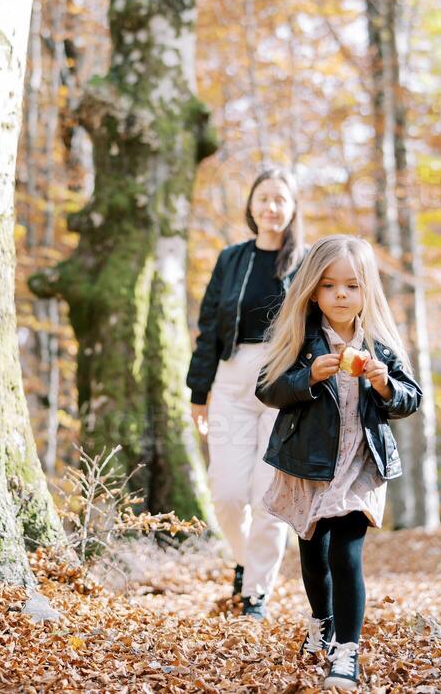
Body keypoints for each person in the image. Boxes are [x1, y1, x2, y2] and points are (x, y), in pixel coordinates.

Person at [256, 234, 422, 690]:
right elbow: (267, 389)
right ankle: (321, 624)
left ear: (367, 288)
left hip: (360, 464)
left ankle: (346, 653)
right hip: (309, 465)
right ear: (313, 290)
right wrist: (306, 376)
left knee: (346, 552)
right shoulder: (301, 337)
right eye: (330, 286)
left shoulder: (381, 343)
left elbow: (411, 399)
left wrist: (385, 385)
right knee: (314, 551)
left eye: (351, 285)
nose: (341, 295)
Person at [187, 166, 306, 619]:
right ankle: (242, 559)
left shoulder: (305, 260)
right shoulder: (230, 259)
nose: (271, 207)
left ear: (292, 208)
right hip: (232, 381)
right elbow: (208, 330)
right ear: (251, 206)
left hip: (284, 383)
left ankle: (256, 592)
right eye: (263, 198)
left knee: (268, 498)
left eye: (280, 199)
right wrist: (199, 392)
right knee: (227, 492)